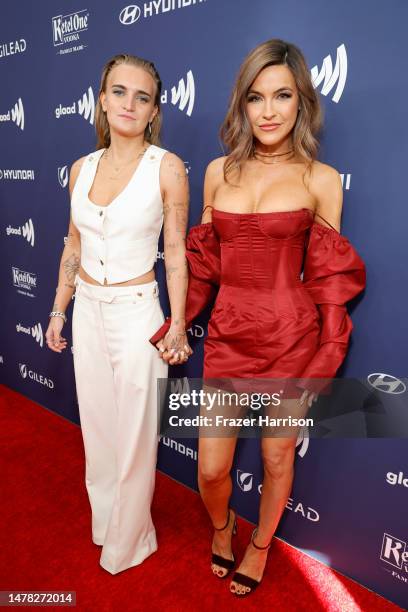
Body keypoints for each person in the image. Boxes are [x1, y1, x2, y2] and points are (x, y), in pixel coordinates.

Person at [150, 39, 366, 596]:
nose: (268, 110)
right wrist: (178, 324)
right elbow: (202, 265)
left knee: (275, 457)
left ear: (302, 103)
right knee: (211, 470)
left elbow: (330, 281)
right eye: (256, 97)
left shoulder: (322, 179)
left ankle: (261, 544)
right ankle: (222, 526)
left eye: (282, 96)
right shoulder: (219, 172)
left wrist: (323, 363)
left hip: (291, 341)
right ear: (242, 105)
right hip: (227, 338)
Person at [45, 53, 191, 575]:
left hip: (136, 314)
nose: (129, 104)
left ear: (153, 110)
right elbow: (73, 243)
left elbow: (175, 252)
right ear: (102, 100)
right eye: (119, 92)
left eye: (142, 96)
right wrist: (59, 310)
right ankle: (106, 523)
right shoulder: (81, 169)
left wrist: (176, 324)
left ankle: (129, 543)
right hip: (86, 310)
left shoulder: (167, 167)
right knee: (100, 430)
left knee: (134, 436)